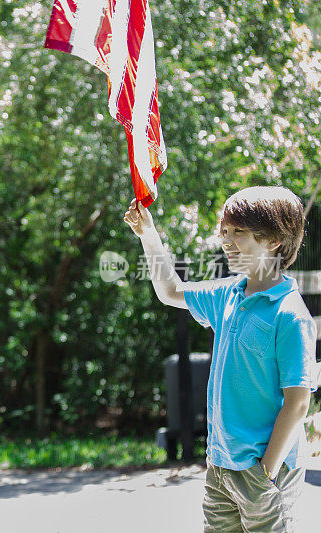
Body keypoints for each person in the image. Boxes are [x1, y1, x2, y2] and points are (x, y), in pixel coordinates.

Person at [124, 187, 317, 532]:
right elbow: (170, 291)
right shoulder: (226, 293)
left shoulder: (290, 315)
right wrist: (148, 234)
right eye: (224, 232)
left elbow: (299, 404)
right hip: (221, 464)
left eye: (238, 232)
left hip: (265, 470)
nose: (226, 241)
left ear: (273, 240)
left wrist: (265, 471)